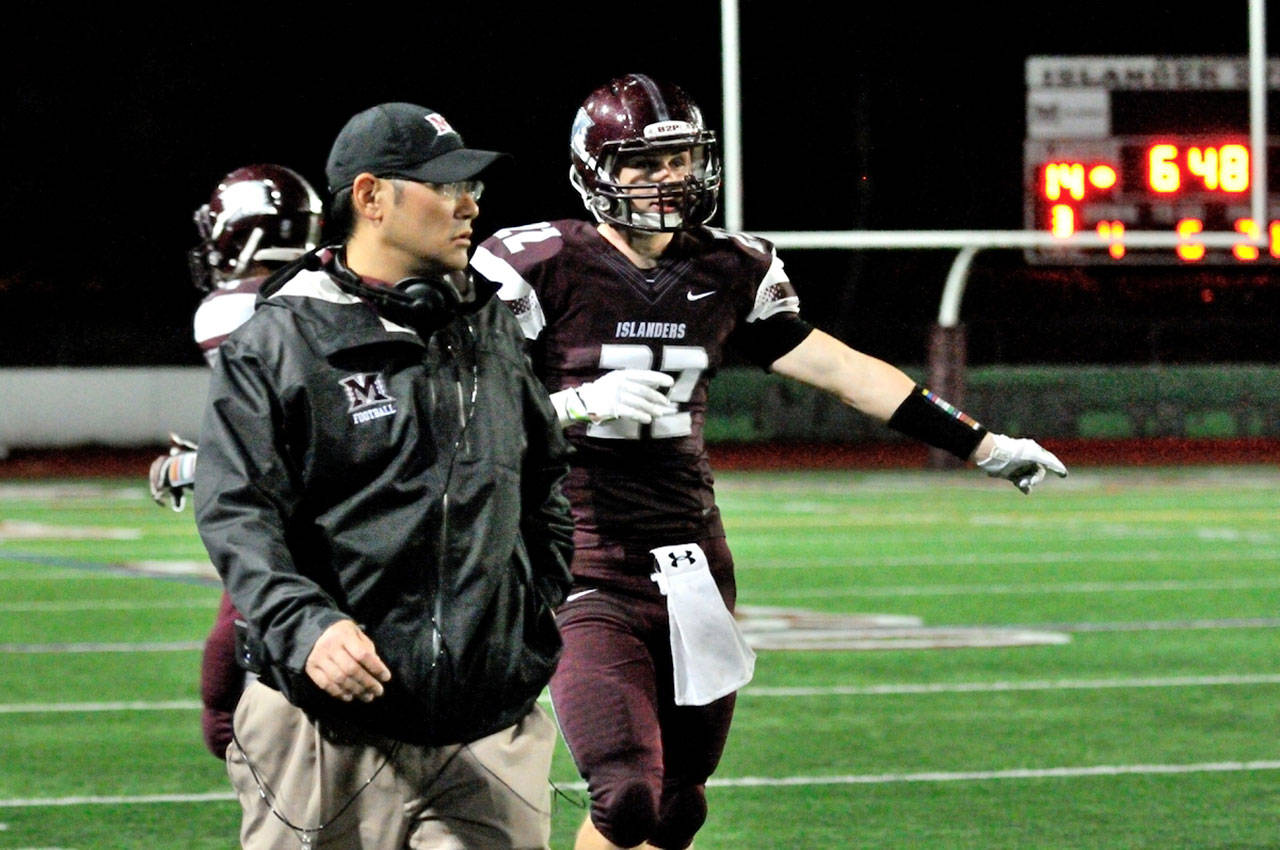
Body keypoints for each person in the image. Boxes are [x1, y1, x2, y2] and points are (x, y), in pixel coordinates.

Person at [471, 73, 1069, 850]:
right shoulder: (535, 263)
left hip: (692, 555)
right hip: (580, 552)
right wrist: (573, 405)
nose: (670, 180)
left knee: (680, 803)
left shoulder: (731, 266)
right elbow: (467, 417)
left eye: (681, 160)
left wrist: (983, 444)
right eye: (645, 165)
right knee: (625, 794)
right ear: (595, 172)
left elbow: (843, 370)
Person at [193, 102, 575, 849]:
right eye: (446, 186)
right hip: (323, 729)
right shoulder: (280, 339)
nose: (471, 205)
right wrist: (308, 627)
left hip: (486, 729)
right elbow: (237, 512)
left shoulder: (489, 322)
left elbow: (544, 485)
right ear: (370, 198)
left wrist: (528, 622)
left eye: (474, 187)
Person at [147, 163, 323, 760]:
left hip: (297, 535)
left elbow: (284, 443)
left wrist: (200, 467)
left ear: (242, 233)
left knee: (228, 713)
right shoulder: (342, 287)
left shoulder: (233, 310)